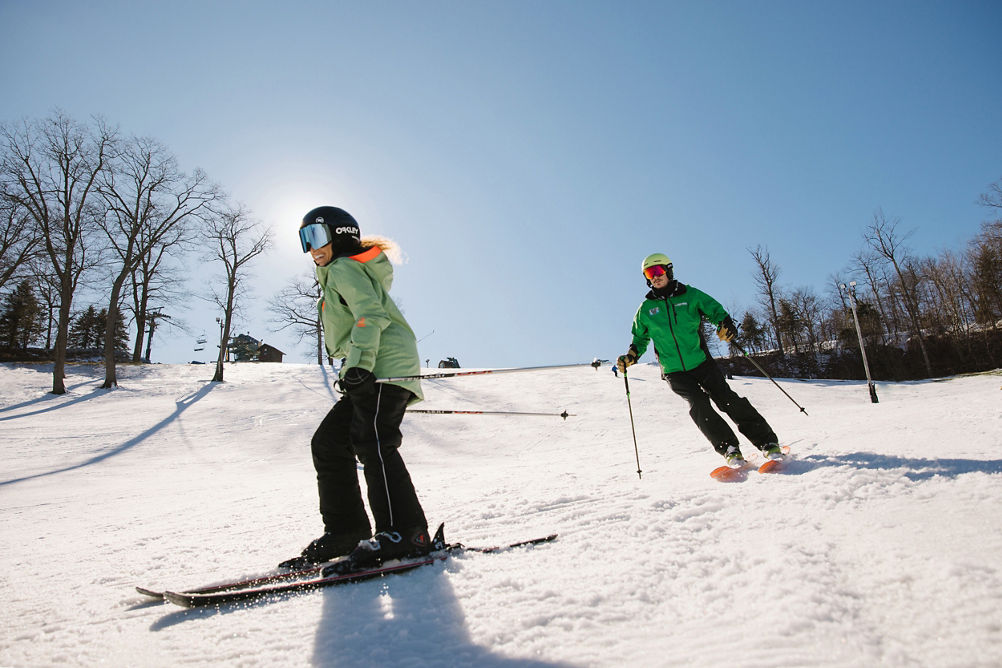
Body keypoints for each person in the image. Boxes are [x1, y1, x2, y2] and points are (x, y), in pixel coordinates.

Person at [280, 206, 432, 570]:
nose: (311, 249)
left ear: (340, 235)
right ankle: (347, 531)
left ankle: (405, 532)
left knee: (374, 441)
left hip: (384, 365)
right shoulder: (334, 274)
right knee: (330, 443)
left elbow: (371, 314)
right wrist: (355, 365)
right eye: (304, 240)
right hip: (369, 366)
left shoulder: (345, 268)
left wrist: (361, 363)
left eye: (315, 237)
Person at [616, 253, 782, 468]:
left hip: (701, 362)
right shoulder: (646, 310)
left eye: (658, 271)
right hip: (674, 370)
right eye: (649, 273)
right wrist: (631, 356)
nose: (655, 277)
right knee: (699, 404)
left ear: (669, 270)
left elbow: (716, 311)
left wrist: (725, 324)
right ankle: (729, 449)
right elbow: (639, 338)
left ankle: (767, 443)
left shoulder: (691, 295)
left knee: (726, 399)